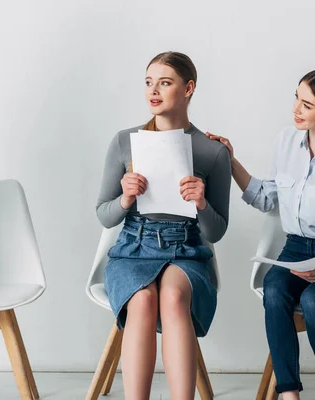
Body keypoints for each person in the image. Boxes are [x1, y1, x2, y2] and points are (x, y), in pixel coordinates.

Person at [207, 67, 315, 400]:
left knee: (314, 299)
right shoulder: (286, 141)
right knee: (274, 290)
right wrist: (231, 161)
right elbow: (268, 198)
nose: (296, 109)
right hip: (295, 251)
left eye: (307, 104)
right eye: (296, 98)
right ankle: (288, 393)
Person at [96, 51, 231, 399]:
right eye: (148, 82)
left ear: (188, 88)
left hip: (186, 249)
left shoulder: (213, 152)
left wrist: (201, 202)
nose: (154, 90)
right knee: (141, 299)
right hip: (133, 246)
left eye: (165, 82)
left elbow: (216, 231)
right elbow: (104, 214)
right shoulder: (125, 141)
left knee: (172, 297)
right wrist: (125, 198)